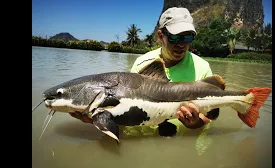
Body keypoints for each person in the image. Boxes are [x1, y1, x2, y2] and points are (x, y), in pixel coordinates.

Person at [70, 7, 219, 133]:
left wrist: (195, 123)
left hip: (180, 138)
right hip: (142, 135)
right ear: (161, 36)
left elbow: (209, 117)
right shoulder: (142, 63)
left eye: (187, 38)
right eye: (175, 38)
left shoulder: (202, 67)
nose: (181, 44)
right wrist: (98, 117)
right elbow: (126, 107)